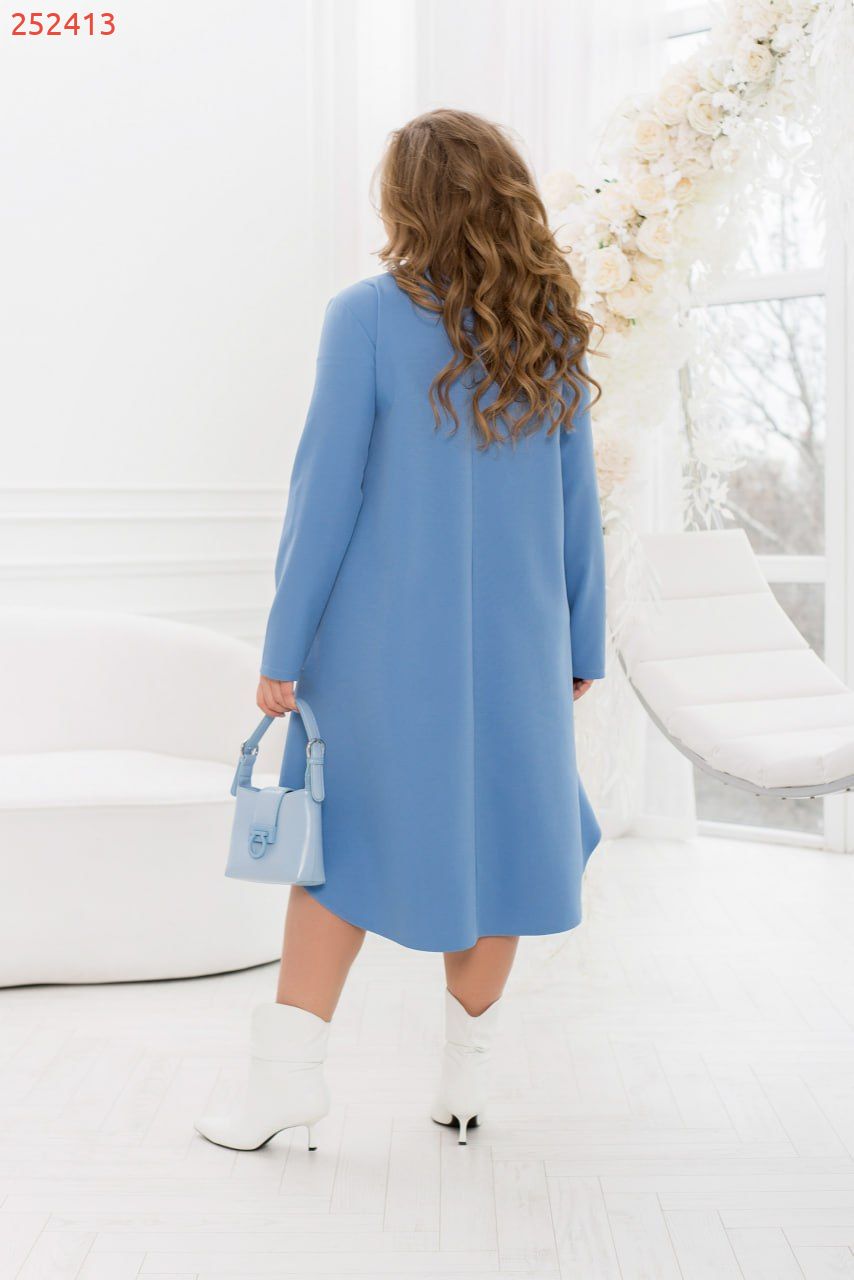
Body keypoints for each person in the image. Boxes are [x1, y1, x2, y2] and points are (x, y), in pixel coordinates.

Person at [195, 108, 606, 1153]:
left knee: (339, 850)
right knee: (506, 840)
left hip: (381, 651)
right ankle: (465, 1083)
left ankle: (284, 1084)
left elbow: (321, 497)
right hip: (521, 643)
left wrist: (283, 648)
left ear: (405, 201)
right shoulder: (547, 326)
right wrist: (578, 645)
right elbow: (578, 508)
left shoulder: (366, 317)